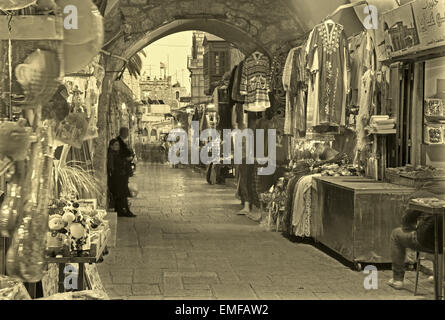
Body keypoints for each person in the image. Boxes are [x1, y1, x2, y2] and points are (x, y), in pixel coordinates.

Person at [388, 190, 443, 290]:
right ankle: (440, 276)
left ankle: (397, 279)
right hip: (442, 244)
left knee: (396, 234)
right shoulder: (441, 197)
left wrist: (415, 224)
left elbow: (406, 224)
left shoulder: (417, 199)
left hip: (426, 242)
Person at [107, 138, 136, 218]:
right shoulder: (111, 154)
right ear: (111, 146)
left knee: (120, 195)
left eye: (118, 144)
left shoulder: (116, 153)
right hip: (118, 178)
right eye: (115, 145)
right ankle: (127, 211)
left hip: (121, 177)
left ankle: (120, 211)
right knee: (123, 195)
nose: (118, 146)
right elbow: (111, 167)